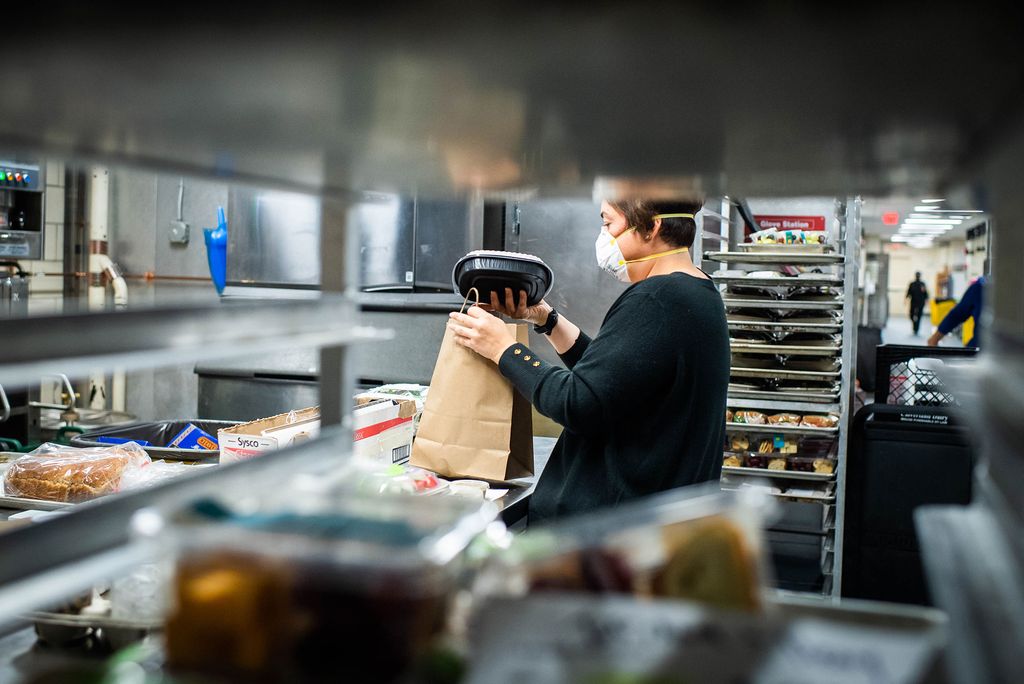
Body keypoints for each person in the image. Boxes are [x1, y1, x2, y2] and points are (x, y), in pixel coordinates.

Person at [447, 198, 730, 523]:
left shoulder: (656, 299)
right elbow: (612, 380)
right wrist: (546, 318)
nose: (604, 236)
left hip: (609, 537)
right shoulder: (698, 292)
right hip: (652, 529)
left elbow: (579, 401)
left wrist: (502, 349)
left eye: (609, 224)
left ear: (651, 227)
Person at [928, 275, 985, 349]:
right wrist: (935, 338)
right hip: (978, 351)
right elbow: (958, 314)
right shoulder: (982, 288)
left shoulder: (982, 287)